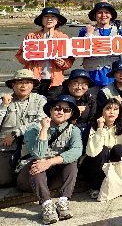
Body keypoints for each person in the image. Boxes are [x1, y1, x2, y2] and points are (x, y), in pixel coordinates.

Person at [16, 94, 82, 225]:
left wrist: (50, 162)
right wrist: (44, 130)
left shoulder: (73, 130)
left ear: (71, 114)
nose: (61, 112)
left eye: (66, 110)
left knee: (71, 163)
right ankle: (46, 205)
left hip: (52, 178)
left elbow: (77, 151)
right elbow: (38, 154)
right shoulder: (34, 128)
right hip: (29, 178)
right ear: (50, 110)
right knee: (37, 163)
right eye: (57, 108)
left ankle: (63, 201)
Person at [0, 69, 47, 187]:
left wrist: (16, 132)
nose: (23, 86)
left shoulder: (40, 100)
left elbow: (40, 122)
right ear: (13, 85)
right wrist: (4, 106)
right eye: (20, 82)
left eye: (27, 82)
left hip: (30, 147)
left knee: (26, 182)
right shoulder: (4, 100)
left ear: (33, 85)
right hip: (8, 147)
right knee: (3, 181)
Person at [15, 7, 74, 98]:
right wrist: (28, 56)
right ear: (41, 20)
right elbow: (20, 58)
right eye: (46, 16)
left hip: (55, 81)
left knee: (52, 104)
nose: (49, 19)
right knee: (33, 103)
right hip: (33, 79)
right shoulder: (31, 37)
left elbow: (70, 61)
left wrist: (63, 63)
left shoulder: (63, 38)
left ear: (57, 20)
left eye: (53, 16)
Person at [82, 98, 122, 199]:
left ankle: (114, 183)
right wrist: (100, 129)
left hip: (114, 163)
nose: (112, 112)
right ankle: (96, 186)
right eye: (108, 108)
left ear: (119, 112)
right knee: (104, 150)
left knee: (119, 148)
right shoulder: (94, 126)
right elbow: (91, 152)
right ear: (102, 111)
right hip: (97, 163)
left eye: (115, 109)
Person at [78, 2, 122, 88]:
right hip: (92, 73)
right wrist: (88, 35)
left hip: (114, 74)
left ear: (111, 15)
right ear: (94, 15)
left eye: (107, 12)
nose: (103, 15)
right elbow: (80, 52)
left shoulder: (120, 32)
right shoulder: (84, 31)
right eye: (100, 12)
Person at [59, 70, 97, 148]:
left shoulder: (91, 100)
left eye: (84, 84)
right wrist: (74, 114)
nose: (79, 88)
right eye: (75, 83)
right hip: (65, 135)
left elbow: (93, 119)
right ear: (69, 85)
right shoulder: (60, 100)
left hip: (86, 134)